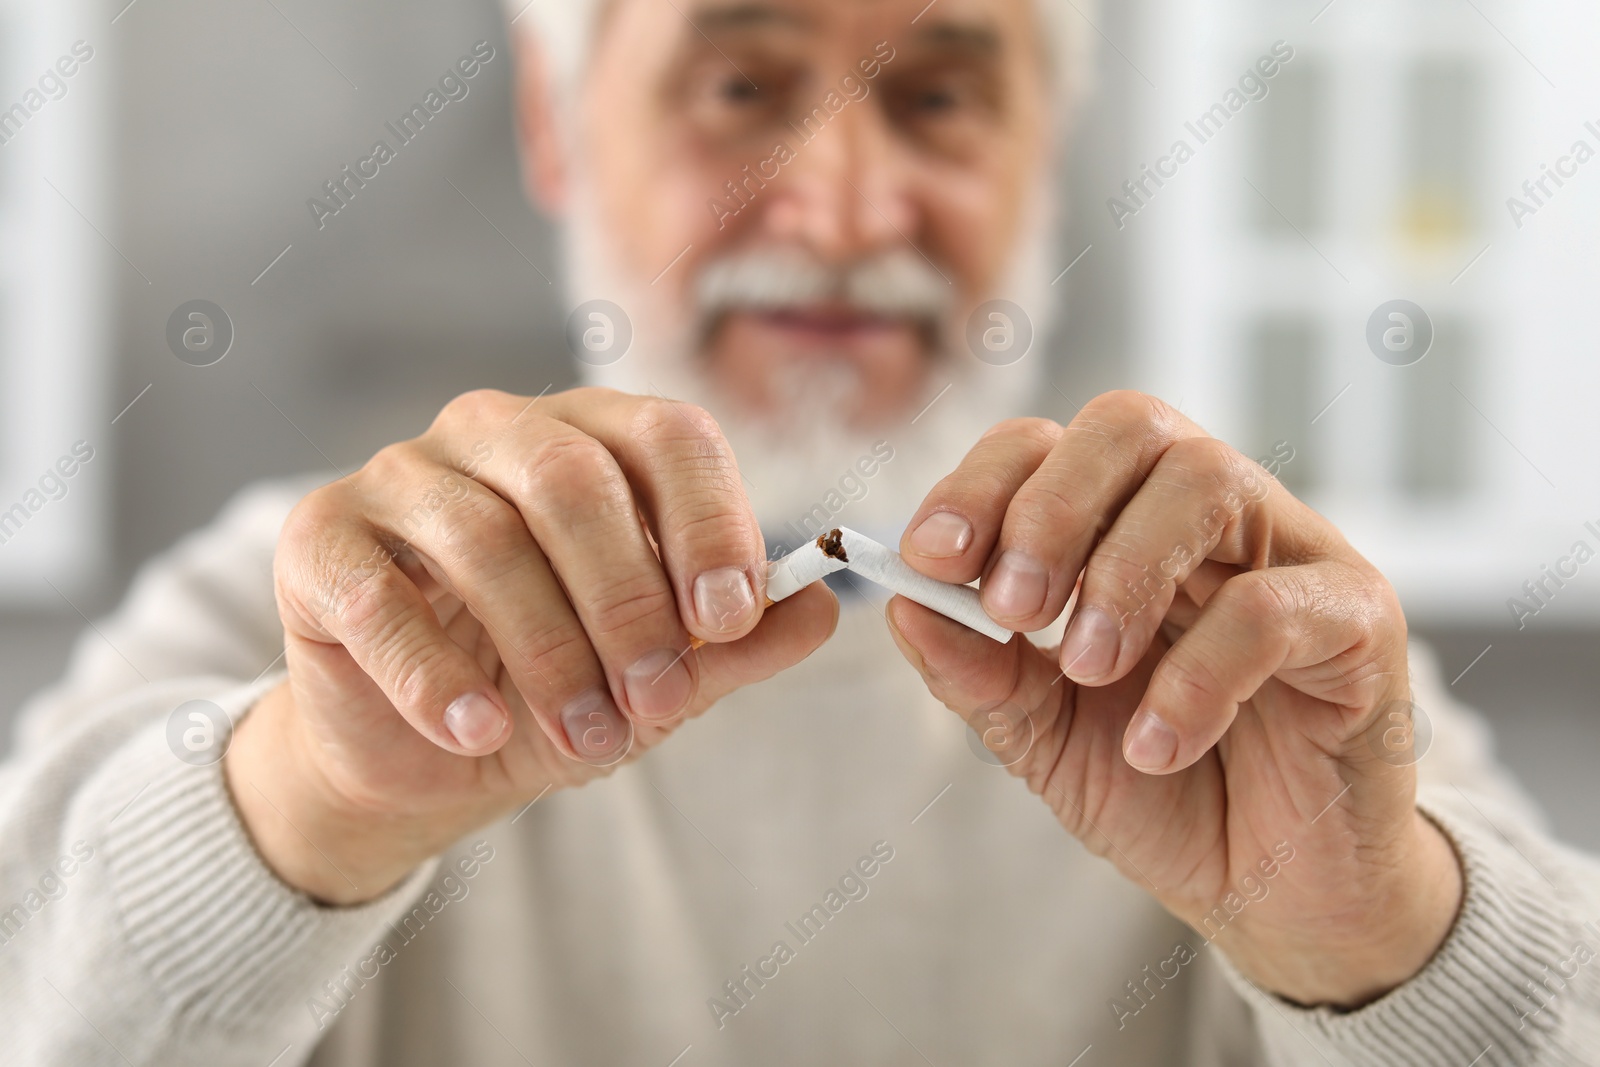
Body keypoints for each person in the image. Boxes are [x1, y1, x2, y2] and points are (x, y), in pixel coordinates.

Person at [3, 1, 1598, 1063]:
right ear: (562, 140)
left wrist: (1380, 934)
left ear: (1047, 162)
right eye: (743, 86)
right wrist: (316, 802)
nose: (840, 212)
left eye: (942, 96)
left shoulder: (1237, 654)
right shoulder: (319, 623)